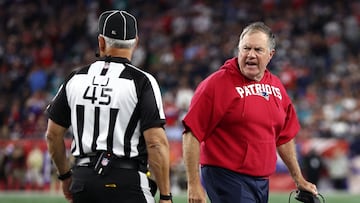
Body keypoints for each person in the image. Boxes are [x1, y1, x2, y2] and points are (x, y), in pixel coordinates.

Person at [182, 22, 318, 203]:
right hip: (225, 176)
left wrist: (298, 178)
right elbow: (192, 133)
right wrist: (193, 183)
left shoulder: (276, 86)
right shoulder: (216, 84)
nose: (250, 55)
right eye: (246, 48)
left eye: (258, 50)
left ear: (270, 55)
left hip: (261, 181)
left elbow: (284, 137)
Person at [45, 10, 172, 203]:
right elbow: (155, 142)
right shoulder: (142, 82)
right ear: (135, 43)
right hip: (127, 181)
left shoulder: (76, 78)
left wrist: (64, 176)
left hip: (83, 181)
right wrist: (165, 195)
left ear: (101, 42)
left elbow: (52, 135)